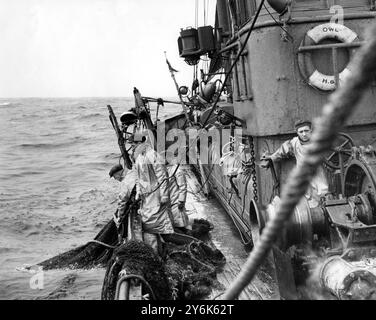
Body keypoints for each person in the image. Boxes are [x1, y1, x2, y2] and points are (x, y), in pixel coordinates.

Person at [261, 119, 329, 207]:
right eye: (301, 131)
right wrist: (271, 157)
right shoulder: (294, 143)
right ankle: (310, 208)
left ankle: (323, 205)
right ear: (297, 132)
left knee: (321, 189)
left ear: (311, 130)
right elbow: (281, 152)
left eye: (306, 131)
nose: (304, 134)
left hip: (317, 171)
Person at [133, 139, 174, 254]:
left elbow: (162, 176)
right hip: (146, 197)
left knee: (152, 224)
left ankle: (156, 252)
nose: (133, 147)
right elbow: (138, 178)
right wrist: (137, 192)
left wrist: (164, 195)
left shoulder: (153, 155)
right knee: (150, 224)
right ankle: (157, 250)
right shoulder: (139, 157)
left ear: (141, 143)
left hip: (156, 195)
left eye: (134, 144)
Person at [167, 163, 190, 233]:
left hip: (175, 202)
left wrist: (181, 200)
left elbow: (183, 186)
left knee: (180, 224)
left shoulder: (176, 170)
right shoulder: (161, 170)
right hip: (167, 202)